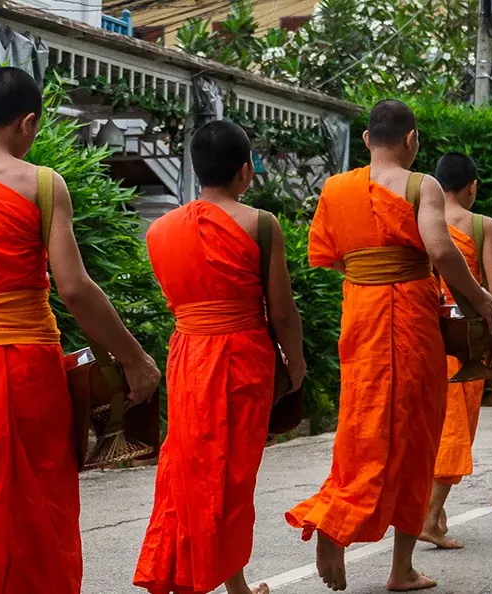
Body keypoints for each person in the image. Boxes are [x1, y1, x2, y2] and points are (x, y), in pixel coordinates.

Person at [0, 67, 163, 594]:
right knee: (39, 510)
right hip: (30, 373)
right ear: (28, 123)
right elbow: (75, 288)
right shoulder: (42, 184)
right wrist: (134, 358)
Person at [288, 99, 492, 593]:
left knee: (361, 430)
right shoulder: (420, 184)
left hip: (361, 315)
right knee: (416, 436)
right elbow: (440, 249)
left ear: (367, 139)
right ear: (411, 140)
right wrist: (479, 299)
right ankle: (401, 568)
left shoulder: (335, 187)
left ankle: (336, 520)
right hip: (410, 317)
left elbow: (330, 255)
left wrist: (372, 271)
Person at [135, 121, 303, 594]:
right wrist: (296, 364)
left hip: (188, 356)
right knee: (231, 474)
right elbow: (282, 312)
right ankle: (212, 581)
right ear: (245, 171)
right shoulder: (260, 224)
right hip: (243, 358)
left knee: (188, 467)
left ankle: (210, 580)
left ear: (196, 170)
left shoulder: (160, 231)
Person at [419, 153, 492, 550]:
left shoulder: (421, 216)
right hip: (465, 335)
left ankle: (428, 511)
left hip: (424, 328)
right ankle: (430, 514)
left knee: (428, 425)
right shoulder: (481, 225)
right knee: (455, 427)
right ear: (472, 187)